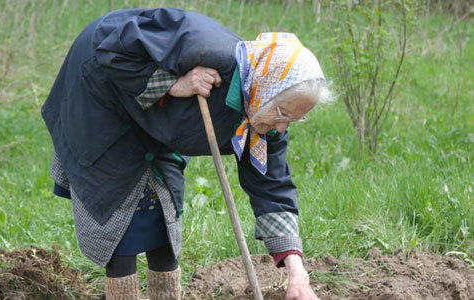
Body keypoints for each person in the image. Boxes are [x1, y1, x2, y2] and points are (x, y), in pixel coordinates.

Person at [42, 7, 330, 300]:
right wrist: (172, 83)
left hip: (159, 119)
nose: (282, 127)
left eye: (294, 119)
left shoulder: (269, 115)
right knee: (119, 210)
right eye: (283, 114)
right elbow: (109, 43)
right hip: (104, 95)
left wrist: (297, 272)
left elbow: (272, 186)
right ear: (265, 89)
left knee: (163, 215)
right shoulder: (201, 47)